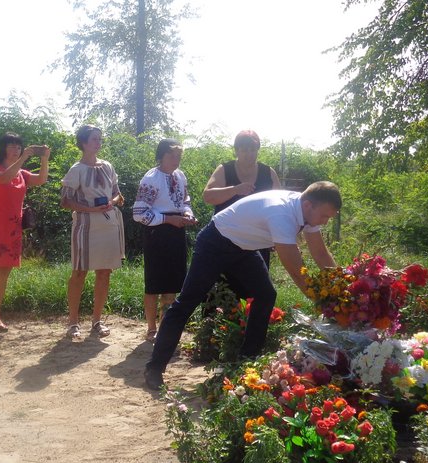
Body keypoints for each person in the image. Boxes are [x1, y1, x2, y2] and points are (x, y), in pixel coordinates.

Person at [144, 181, 342, 391]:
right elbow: (296, 271)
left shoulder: (306, 210)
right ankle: (155, 368)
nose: (325, 222)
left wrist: (341, 285)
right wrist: (324, 302)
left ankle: (246, 360)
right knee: (187, 302)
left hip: (244, 248)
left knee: (265, 295)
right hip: (216, 242)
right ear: (309, 205)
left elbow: (320, 253)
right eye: (324, 216)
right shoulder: (282, 214)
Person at [0, 133, 50, 339]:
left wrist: (44, 158)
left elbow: (42, 179)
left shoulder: (22, 174)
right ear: (3, 148)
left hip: (14, 228)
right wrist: (24, 157)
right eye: (12, 145)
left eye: (19, 146)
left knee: (5, 273)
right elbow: (5, 178)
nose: (16, 149)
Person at [61, 125, 125, 339]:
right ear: (84, 143)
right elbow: (65, 201)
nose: (98, 142)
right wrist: (90, 209)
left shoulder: (108, 166)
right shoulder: (76, 169)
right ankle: (73, 322)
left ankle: (97, 320)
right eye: (94, 139)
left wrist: (111, 202)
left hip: (108, 225)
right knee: (79, 271)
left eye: (99, 138)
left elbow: (117, 194)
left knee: (104, 271)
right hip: (85, 227)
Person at [132, 138, 197, 342]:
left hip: (176, 233)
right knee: (154, 283)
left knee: (172, 283)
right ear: (161, 156)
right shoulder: (151, 179)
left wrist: (187, 214)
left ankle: (166, 327)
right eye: (172, 155)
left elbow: (184, 201)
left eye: (179, 156)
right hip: (157, 233)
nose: (176, 160)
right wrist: (169, 219)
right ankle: (151, 328)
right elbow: (139, 213)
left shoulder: (180, 176)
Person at [202, 129, 281, 267]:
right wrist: (235, 190)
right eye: (244, 150)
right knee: (226, 287)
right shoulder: (225, 170)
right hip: (226, 239)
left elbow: (280, 207)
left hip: (257, 240)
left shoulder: (268, 173)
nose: (249, 154)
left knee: (256, 286)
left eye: (253, 149)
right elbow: (208, 196)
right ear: (236, 151)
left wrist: (275, 235)